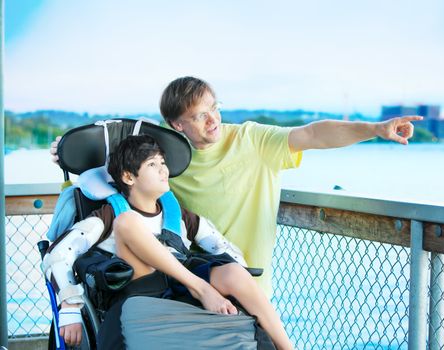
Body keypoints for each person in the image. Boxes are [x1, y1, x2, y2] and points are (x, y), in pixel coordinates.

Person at [52, 76, 422, 296]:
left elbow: (313, 133)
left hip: (248, 281)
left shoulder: (253, 140)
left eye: (215, 107)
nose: (214, 120)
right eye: (199, 115)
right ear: (176, 124)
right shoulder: (165, 157)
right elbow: (113, 159)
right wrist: (64, 153)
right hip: (186, 286)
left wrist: (374, 130)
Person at [45, 135, 293, 349]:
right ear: (129, 177)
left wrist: (236, 276)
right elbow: (58, 254)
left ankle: (286, 347)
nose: (164, 169)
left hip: (179, 281)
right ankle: (201, 288)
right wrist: (69, 306)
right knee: (128, 222)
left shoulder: (178, 215)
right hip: (140, 282)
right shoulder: (111, 215)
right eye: (152, 164)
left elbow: (223, 248)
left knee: (234, 273)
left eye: (163, 162)